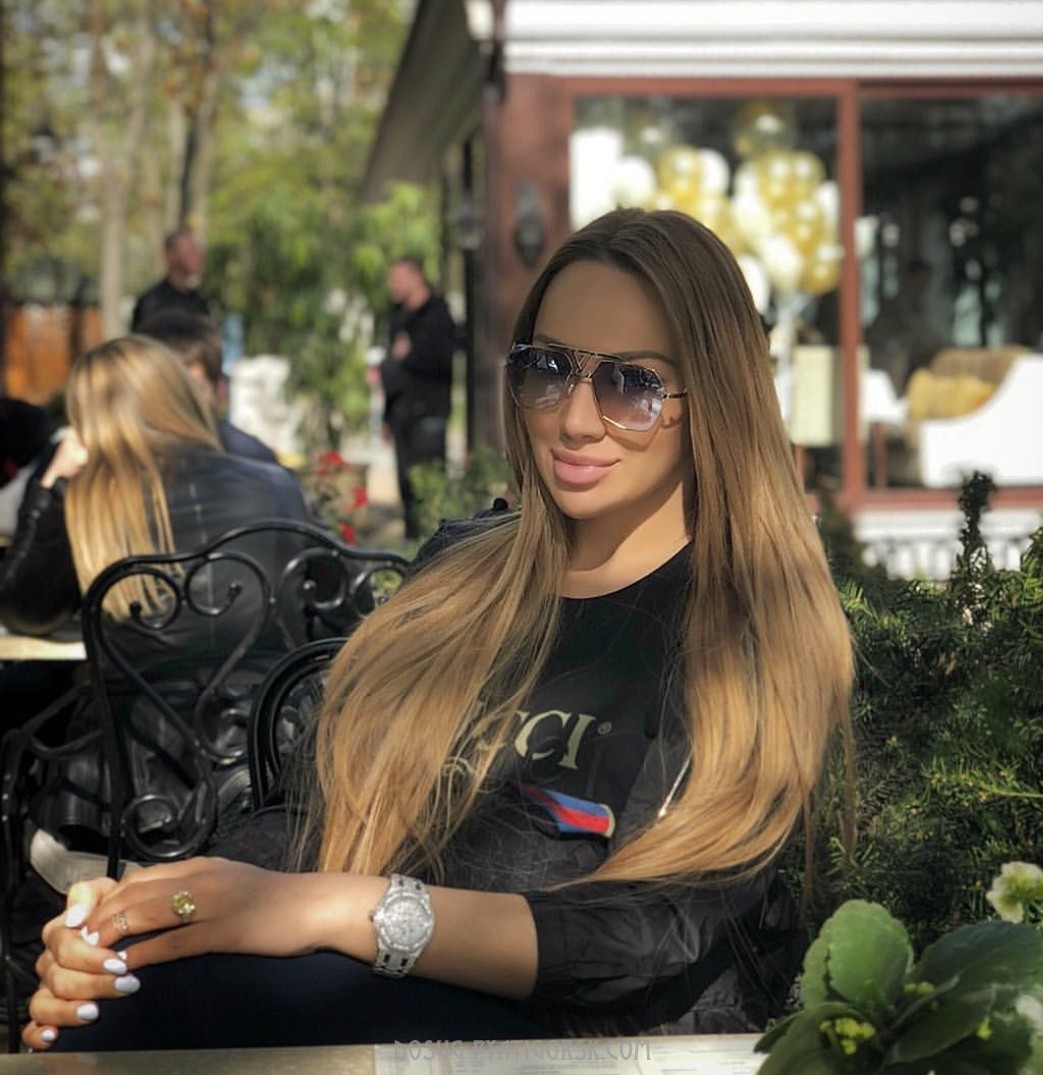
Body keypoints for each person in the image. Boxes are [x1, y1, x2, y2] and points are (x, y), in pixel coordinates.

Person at [22, 208, 854, 1052]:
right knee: (123, 989)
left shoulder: (746, 615)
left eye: (631, 383)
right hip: (381, 1009)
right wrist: (154, 912)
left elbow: (648, 927)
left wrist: (349, 909)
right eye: (548, 367)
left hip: (598, 1045)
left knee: (164, 1008)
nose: (573, 419)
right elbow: (306, 814)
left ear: (714, 397)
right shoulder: (463, 571)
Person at [137, 310, 280, 464]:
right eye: (166, 389)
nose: (179, 404)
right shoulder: (125, 461)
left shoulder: (252, 460)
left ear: (216, 389)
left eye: (193, 390)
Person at [380, 256, 457, 538]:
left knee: (429, 485)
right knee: (407, 486)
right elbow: (392, 366)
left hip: (429, 412)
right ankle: (412, 543)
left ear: (416, 277)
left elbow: (441, 360)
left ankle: (434, 543)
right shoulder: (397, 317)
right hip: (402, 413)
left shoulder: (437, 314)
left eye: (398, 279)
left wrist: (408, 354)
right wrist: (387, 416)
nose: (393, 286)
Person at [866, 258, 947, 393]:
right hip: (884, 351)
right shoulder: (901, 301)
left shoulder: (915, 300)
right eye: (923, 278)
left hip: (897, 350)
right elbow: (915, 327)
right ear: (913, 278)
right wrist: (938, 342)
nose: (926, 283)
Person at [129, 228, 210, 332]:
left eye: (197, 250)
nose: (197, 256)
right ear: (171, 255)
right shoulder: (153, 303)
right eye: (190, 251)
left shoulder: (198, 301)